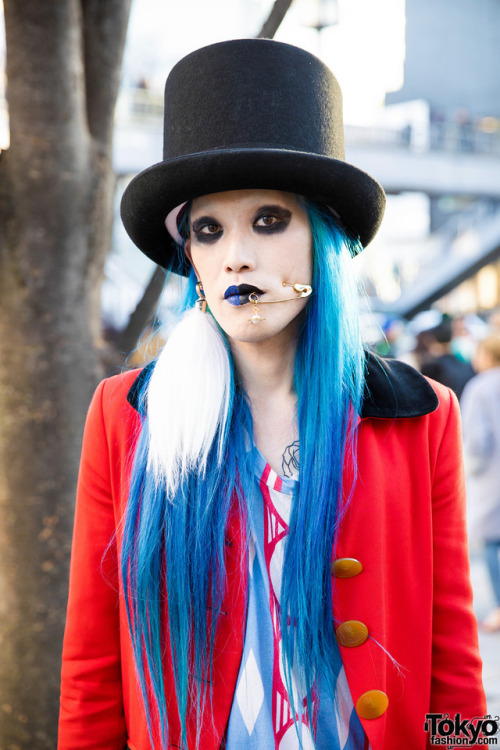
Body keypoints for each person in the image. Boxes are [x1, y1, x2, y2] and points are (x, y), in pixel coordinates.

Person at [58, 40, 485, 750]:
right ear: (189, 257)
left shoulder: (421, 416)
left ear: (322, 237)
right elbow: (91, 666)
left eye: (268, 220)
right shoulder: (128, 414)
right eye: (208, 229)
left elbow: (456, 664)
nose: (237, 256)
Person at [461, 334, 500, 632]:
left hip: (491, 475)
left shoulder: (480, 387)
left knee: (490, 542)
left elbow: (477, 440)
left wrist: (469, 469)